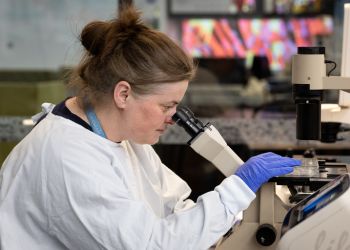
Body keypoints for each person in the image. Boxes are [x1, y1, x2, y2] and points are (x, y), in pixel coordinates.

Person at [0, 5, 301, 250]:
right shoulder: (66, 156)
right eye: (166, 106)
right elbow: (149, 245)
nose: (172, 117)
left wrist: (227, 222)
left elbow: (174, 207)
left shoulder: (122, 137)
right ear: (123, 94)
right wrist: (237, 190)